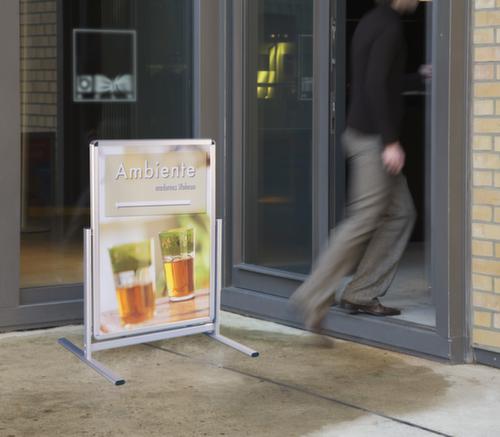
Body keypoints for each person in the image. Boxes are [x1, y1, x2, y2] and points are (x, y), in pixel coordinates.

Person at [290, 0, 427, 331]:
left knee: (401, 213)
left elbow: (379, 79)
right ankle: (311, 295)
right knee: (362, 221)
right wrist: (391, 141)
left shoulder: (371, 21)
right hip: (372, 140)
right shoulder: (391, 27)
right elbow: (376, 84)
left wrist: (417, 76)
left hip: (364, 134)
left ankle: (361, 292)